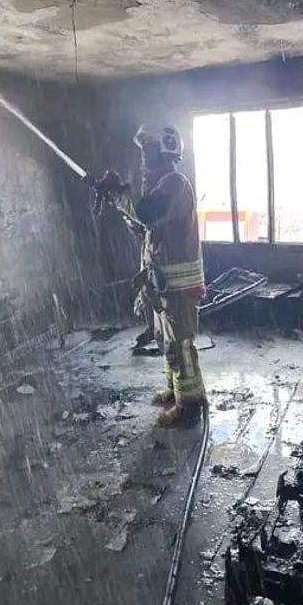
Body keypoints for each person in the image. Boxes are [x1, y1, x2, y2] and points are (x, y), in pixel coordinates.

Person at [95, 126, 206, 426]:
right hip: (162, 283)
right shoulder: (161, 186)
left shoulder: (174, 184)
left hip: (178, 285)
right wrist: (134, 221)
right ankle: (175, 390)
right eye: (143, 153)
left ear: (167, 151)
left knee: (180, 345)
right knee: (165, 339)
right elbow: (149, 225)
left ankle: (189, 406)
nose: (144, 160)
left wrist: (118, 193)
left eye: (149, 152)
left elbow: (146, 212)